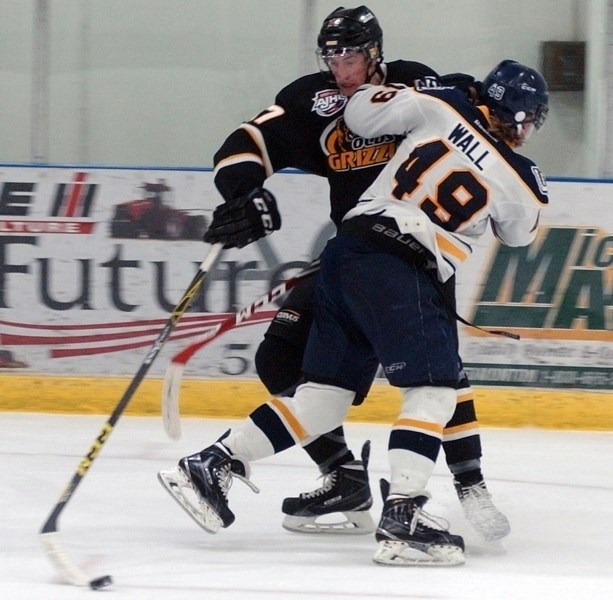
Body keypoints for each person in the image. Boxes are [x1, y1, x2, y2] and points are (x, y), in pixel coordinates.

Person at [158, 58, 549, 565]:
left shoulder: (437, 103)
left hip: (346, 253)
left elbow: (361, 112)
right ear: (522, 121)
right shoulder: (521, 177)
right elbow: (519, 234)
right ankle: (404, 517)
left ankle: (213, 462)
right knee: (434, 389)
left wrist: (426, 96)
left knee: (321, 399)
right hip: (405, 266)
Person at [202, 6, 509, 542]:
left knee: (439, 370)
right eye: (333, 55)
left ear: (375, 53)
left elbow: (479, 111)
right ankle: (343, 475)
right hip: (352, 253)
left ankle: (470, 481)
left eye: (352, 54)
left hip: (418, 252)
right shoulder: (312, 101)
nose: (342, 67)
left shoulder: (417, 84)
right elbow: (243, 145)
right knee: (280, 356)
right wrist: (243, 193)